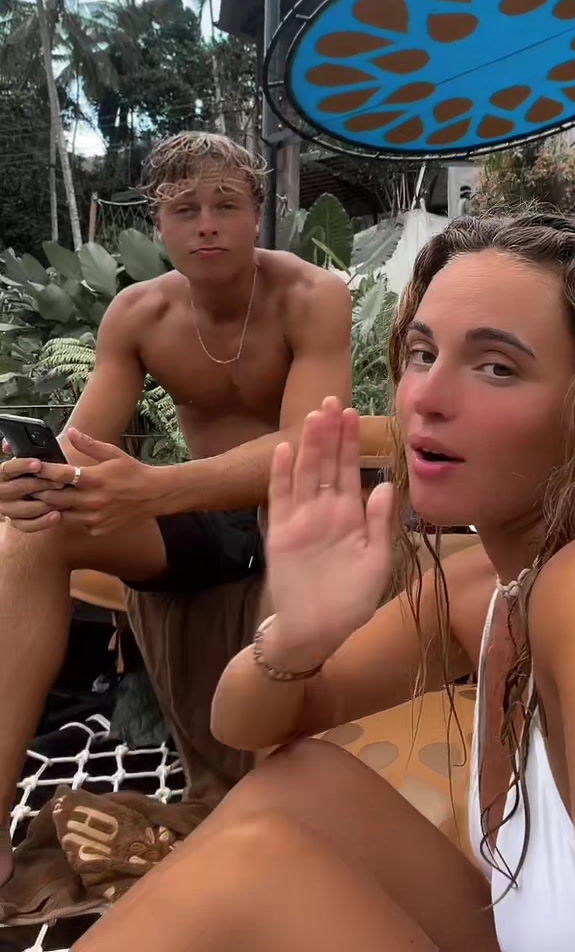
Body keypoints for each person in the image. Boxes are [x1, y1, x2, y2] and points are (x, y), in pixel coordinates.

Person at [74, 209, 575, 952]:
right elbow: (243, 726)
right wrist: (298, 636)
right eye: (421, 353)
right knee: (301, 782)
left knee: (250, 868)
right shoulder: (489, 581)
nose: (425, 399)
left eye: (496, 367)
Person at [0, 131, 352, 888]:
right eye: (185, 209)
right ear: (158, 223)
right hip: (201, 523)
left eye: (226, 205)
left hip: (292, 510)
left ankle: (288, 829)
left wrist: (157, 488)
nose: (207, 225)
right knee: (32, 533)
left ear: (257, 213)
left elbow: (308, 446)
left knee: (293, 509)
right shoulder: (138, 315)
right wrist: (36, 481)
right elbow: (82, 448)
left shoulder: (311, 297)